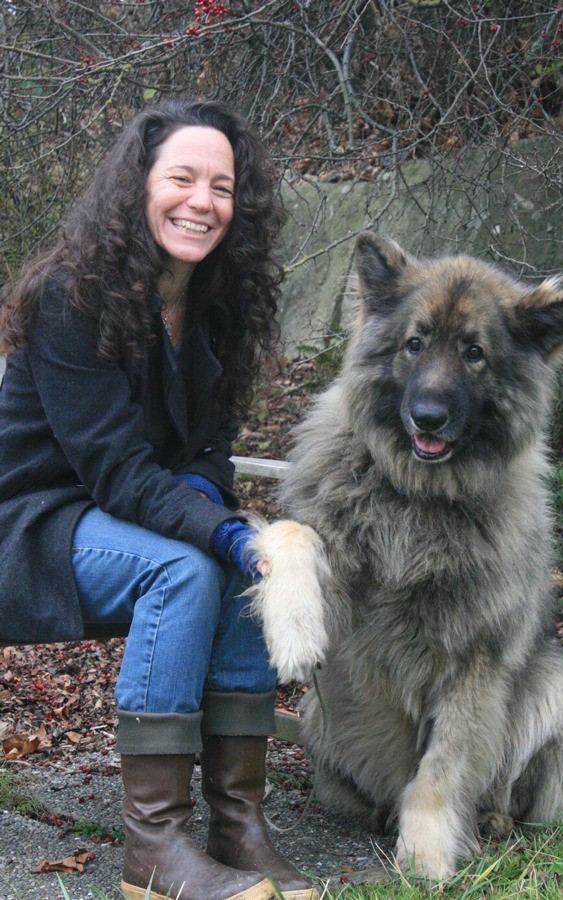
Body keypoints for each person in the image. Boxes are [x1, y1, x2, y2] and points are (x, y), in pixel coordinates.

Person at [0, 99, 318, 900]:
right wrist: (223, 532)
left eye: (221, 185)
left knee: (248, 568)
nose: (201, 201)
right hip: (34, 524)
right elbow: (116, 474)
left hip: (124, 517)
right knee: (187, 567)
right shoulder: (71, 298)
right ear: (138, 186)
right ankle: (153, 850)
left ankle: (238, 825)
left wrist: (216, 510)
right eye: (181, 177)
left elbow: (208, 449)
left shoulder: (217, 303)